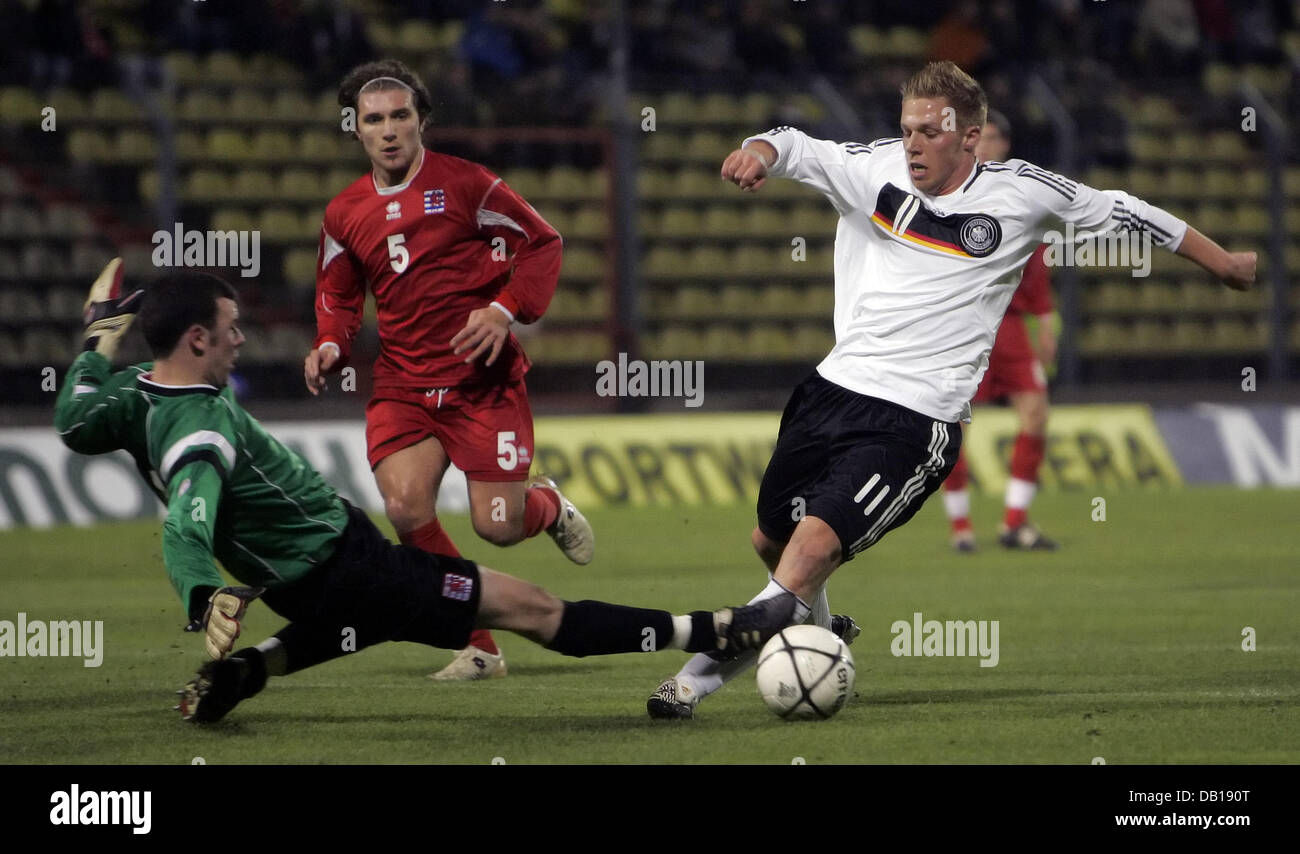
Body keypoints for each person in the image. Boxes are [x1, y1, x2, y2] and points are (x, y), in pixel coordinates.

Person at [647, 61, 1256, 719]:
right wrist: (759, 150)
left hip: (914, 421)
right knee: (771, 540)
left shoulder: (1023, 192)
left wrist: (1222, 262)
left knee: (811, 550)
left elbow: (1128, 210)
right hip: (830, 392)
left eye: (930, 132)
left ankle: (686, 687)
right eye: (907, 128)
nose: (912, 144)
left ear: (971, 137)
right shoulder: (872, 166)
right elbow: (797, 145)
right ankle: (820, 632)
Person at [54, 264, 778, 724]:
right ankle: (714, 630)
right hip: (348, 559)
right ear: (196, 340)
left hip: (300, 585)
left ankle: (248, 671)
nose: (241, 341)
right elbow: (188, 518)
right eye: (230, 330)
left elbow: (73, 417)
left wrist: (97, 338)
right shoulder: (202, 427)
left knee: (364, 617)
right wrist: (201, 594)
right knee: (534, 610)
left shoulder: (127, 395)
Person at [302, 59, 591, 681]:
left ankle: (545, 507)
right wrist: (330, 341)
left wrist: (504, 308)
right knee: (406, 511)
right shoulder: (343, 212)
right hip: (403, 382)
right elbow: (337, 291)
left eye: (400, 116)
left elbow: (543, 242)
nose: (388, 130)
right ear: (354, 129)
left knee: (498, 528)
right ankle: (481, 646)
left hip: (479, 381)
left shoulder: (469, 185)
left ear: (422, 121)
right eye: (373, 119)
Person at [940, 109, 1059, 552]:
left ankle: (1014, 523)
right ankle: (961, 528)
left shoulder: (1022, 194)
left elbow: (1037, 266)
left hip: (1010, 327)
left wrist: (1045, 323)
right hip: (964, 326)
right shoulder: (948, 191)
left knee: (1036, 414)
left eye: (992, 138)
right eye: (979, 138)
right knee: (952, 426)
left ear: (1005, 144)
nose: (985, 146)